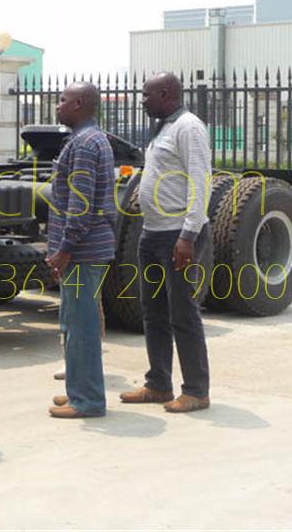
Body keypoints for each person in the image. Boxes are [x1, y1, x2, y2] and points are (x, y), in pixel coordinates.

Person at [120, 72, 212, 413]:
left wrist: (188, 235)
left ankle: (197, 391)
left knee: (182, 312)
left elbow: (200, 181)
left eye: (147, 94)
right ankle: (158, 384)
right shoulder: (163, 127)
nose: (142, 100)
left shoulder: (189, 127)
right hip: (153, 232)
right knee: (153, 310)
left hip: (178, 235)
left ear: (166, 92)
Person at [44, 83, 117, 418]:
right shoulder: (88, 139)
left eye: (62, 100)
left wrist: (64, 248)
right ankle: (77, 389)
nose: (57, 106)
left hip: (83, 252)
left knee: (83, 326)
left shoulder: (85, 144)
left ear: (79, 104)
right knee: (75, 322)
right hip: (84, 250)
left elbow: (80, 203)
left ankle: (87, 401)